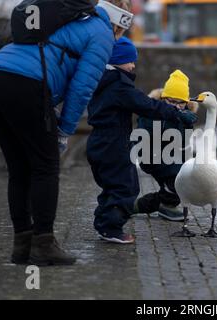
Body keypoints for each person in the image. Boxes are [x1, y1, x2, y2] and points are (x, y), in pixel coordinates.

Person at [0, 0, 132, 266]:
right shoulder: (102, 32)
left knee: (19, 168)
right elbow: (83, 86)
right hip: (26, 81)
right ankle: (44, 245)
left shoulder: (71, 18)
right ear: (121, 20)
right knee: (45, 167)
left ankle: (22, 246)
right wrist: (64, 130)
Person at [86, 38, 198, 244]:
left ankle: (105, 222)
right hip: (114, 144)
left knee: (113, 185)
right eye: (129, 60)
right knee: (125, 186)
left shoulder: (104, 81)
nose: (133, 65)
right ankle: (110, 227)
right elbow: (146, 105)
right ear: (117, 60)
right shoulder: (119, 85)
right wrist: (174, 113)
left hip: (102, 141)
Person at [137, 70, 196, 222]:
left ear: (186, 102)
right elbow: (145, 137)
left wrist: (187, 125)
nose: (176, 106)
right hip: (151, 153)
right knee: (176, 180)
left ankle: (139, 206)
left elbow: (183, 143)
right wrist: (170, 117)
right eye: (171, 101)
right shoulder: (152, 111)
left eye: (180, 103)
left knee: (186, 179)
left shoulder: (185, 115)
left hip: (172, 154)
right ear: (163, 98)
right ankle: (166, 205)